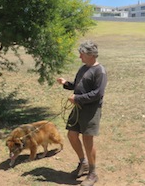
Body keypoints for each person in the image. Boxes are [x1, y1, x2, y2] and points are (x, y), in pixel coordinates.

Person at [57, 40, 107, 186]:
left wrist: (77, 98)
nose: (80, 57)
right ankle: (83, 163)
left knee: (87, 140)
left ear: (90, 55)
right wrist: (66, 83)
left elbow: (98, 93)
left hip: (91, 111)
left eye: (82, 54)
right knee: (71, 135)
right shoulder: (83, 68)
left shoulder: (100, 71)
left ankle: (92, 173)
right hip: (78, 108)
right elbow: (77, 86)